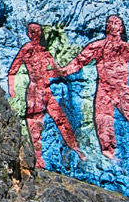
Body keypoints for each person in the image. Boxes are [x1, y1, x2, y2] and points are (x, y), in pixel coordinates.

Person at [51, 15, 129, 181]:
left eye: (116, 23)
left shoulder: (126, 48)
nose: (113, 25)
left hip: (123, 91)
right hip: (104, 92)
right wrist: (60, 72)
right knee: (104, 131)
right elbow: (77, 63)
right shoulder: (97, 46)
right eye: (110, 22)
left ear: (121, 28)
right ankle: (110, 166)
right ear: (106, 27)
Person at [8, 23, 85, 169]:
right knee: (35, 124)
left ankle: (75, 148)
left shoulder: (45, 52)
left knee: (61, 118)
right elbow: (13, 70)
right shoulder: (26, 49)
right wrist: (12, 89)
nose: (35, 33)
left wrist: (72, 67)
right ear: (28, 33)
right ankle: (38, 158)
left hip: (47, 91)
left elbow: (58, 71)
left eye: (38, 31)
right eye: (32, 31)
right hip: (34, 91)